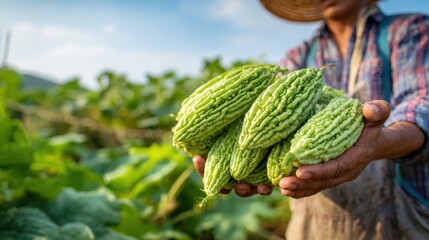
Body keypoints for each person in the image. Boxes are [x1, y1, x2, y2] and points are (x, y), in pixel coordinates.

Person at [193, 0, 429, 239]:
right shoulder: (299, 55)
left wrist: (380, 142)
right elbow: (267, 119)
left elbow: (422, 106)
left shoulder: (409, 30)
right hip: (313, 223)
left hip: (399, 217)